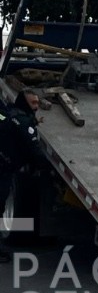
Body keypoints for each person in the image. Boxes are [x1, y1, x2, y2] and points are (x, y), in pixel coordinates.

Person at [0, 89, 44, 264]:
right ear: (25, 104)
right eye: (33, 103)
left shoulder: (6, 114)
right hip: (4, 170)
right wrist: (42, 167)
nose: (37, 107)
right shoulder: (23, 122)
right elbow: (35, 150)